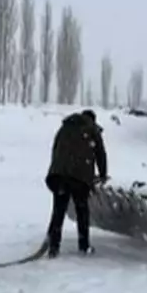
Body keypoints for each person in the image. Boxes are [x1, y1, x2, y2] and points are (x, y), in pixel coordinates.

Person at [45, 109, 108, 257]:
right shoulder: (91, 129)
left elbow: (55, 149)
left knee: (58, 211)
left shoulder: (64, 127)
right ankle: (83, 245)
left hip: (59, 174)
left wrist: (59, 169)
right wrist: (103, 174)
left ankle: (53, 247)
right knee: (82, 211)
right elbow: (100, 153)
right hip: (78, 177)